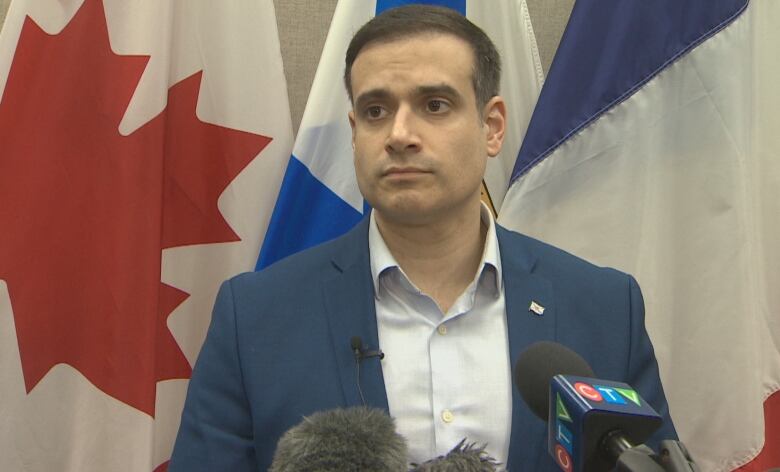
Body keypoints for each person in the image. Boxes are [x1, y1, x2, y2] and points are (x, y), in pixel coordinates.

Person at [170, 5, 676, 471]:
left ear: (492, 126)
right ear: (354, 133)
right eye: (375, 111)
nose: (399, 133)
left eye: (434, 105)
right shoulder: (255, 316)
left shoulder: (605, 308)